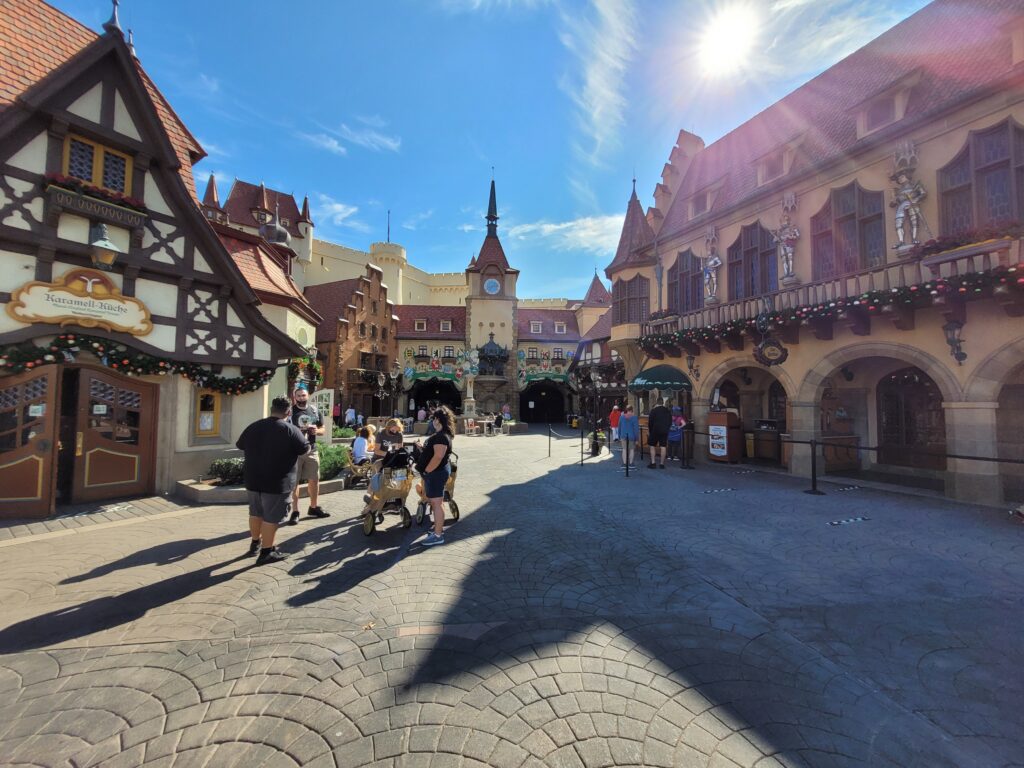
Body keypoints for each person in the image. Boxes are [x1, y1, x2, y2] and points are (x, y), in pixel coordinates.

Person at [236, 396, 310, 564]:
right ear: (289, 412)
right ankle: (266, 552)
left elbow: (240, 444)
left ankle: (255, 543)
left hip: (253, 479)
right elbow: (304, 449)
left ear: (271, 409)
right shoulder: (290, 429)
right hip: (278, 482)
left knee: (255, 513)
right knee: (272, 517)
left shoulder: (254, 426)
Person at [288, 386, 328, 524]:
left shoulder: (314, 410)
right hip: (294, 452)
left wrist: (317, 430)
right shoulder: (289, 412)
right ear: (294, 397)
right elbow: (284, 429)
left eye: (303, 395)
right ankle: (295, 511)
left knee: (314, 479)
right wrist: (297, 431)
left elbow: (323, 429)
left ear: (308, 395)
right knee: (295, 482)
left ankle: (313, 507)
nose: (301, 398)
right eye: (298, 396)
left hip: (312, 449)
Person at [417, 406, 454, 546]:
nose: (432, 421)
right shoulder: (442, 435)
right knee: (437, 503)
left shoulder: (441, 437)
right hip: (437, 472)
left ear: (438, 420)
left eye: (433, 418)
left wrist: (427, 471)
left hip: (436, 474)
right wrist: (423, 449)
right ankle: (438, 530)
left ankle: (438, 535)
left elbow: (438, 456)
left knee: (436, 504)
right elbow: (434, 453)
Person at [647, 397, 672, 469]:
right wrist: (667, 428)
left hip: (654, 430)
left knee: (652, 446)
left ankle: (653, 463)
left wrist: (650, 431)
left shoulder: (653, 410)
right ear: (662, 403)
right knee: (663, 446)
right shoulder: (667, 410)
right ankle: (662, 464)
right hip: (664, 431)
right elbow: (670, 421)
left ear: (657, 402)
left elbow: (650, 422)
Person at [618, 404, 639, 469]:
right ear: (632, 410)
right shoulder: (634, 418)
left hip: (623, 436)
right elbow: (636, 429)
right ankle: (631, 463)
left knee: (624, 450)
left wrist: (619, 436)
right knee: (632, 450)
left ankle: (624, 464)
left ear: (626, 410)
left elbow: (619, 427)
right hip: (632, 436)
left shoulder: (621, 417)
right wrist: (637, 439)